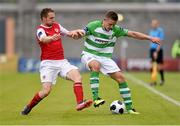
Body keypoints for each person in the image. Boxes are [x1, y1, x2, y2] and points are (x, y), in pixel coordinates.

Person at [77, 11, 161, 114]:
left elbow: (133, 34)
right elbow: (82, 32)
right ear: (105, 20)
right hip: (89, 54)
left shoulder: (115, 30)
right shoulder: (93, 25)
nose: (111, 27)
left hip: (105, 58)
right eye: (110, 24)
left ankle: (129, 108)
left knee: (121, 78)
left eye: (113, 25)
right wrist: (77, 34)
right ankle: (96, 98)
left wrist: (150, 38)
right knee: (96, 65)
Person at [21, 8, 92, 115]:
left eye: (54, 17)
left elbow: (68, 33)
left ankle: (80, 103)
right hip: (48, 64)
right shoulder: (40, 30)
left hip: (62, 62)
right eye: (51, 18)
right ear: (44, 18)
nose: (53, 20)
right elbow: (43, 39)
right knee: (46, 91)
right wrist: (51, 38)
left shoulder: (57, 26)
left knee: (77, 77)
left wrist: (76, 33)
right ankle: (29, 106)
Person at [149, 19, 165, 86]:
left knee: (159, 66)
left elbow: (161, 42)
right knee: (152, 66)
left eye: (155, 23)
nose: (154, 25)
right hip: (152, 49)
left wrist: (156, 51)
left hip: (158, 50)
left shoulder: (160, 31)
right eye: (153, 23)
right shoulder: (151, 31)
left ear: (157, 24)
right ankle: (153, 81)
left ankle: (162, 80)